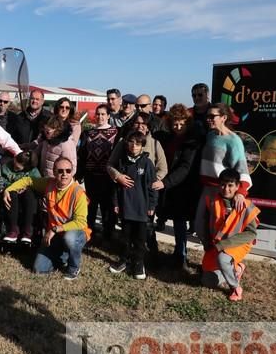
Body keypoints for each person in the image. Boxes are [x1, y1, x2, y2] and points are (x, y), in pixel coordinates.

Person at [4, 157, 90, 280]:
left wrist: (55, 229)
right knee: (39, 269)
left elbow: (81, 222)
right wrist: (8, 189)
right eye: (60, 171)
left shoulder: (78, 193)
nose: (64, 174)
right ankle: (63, 255)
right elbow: (28, 180)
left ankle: (73, 267)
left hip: (74, 233)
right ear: (54, 172)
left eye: (68, 171)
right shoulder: (49, 183)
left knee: (70, 238)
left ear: (72, 172)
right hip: (55, 236)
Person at [194, 103, 252, 249]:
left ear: (224, 117)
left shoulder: (234, 141)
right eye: (207, 116)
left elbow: (242, 170)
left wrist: (240, 193)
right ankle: (210, 261)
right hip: (206, 189)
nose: (208, 119)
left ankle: (222, 266)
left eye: (212, 116)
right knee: (200, 226)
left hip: (221, 191)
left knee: (218, 231)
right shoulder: (210, 135)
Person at [152, 104, 200, 271]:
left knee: (179, 222)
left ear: (187, 123)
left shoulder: (191, 141)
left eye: (182, 124)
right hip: (165, 183)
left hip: (181, 185)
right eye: (175, 123)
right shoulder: (166, 137)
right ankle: (152, 251)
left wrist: (166, 182)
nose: (178, 127)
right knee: (158, 215)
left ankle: (181, 255)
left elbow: (185, 167)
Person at [200, 168, 260, 301]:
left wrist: (224, 244)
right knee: (207, 281)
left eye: (230, 185)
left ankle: (235, 288)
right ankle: (237, 269)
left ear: (238, 186)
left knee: (222, 259)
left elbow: (251, 233)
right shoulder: (212, 200)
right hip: (218, 244)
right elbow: (206, 223)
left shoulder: (245, 205)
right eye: (222, 184)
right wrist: (207, 242)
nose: (226, 189)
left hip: (238, 243)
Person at [109, 131, 158, 280]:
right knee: (125, 237)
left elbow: (152, 186)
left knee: (140, 239)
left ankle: (138, 263)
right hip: (125, 207)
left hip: (141, 209)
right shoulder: (122, 162)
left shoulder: (147, 163)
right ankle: (123, 260)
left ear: (142, 146)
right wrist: (116, 203)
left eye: (137, 144)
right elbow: (116, 186)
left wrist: (151, 205)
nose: (134, 146)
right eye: (131, 143)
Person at [76, 104, 118, 240]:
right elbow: (82, 154)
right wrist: (80, 173)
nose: (100, 117)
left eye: (103, 114)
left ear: (108, 116)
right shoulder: (88, 133)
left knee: (107, 207)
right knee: (91, 206)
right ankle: (89, 233)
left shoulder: (115, 132)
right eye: (98, 114)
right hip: (91, 175)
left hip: (108, 176)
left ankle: (107, 235)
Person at [0, 151, 41, 244]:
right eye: (14, 163)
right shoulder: (7, 167)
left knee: (29, 194)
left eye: (18, 167)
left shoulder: (33, 172)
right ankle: (13, 229)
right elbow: (1, 180)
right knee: (12, 194)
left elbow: (37, 184)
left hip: (26, 195)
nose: (14, 167)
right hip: (10, 193)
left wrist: (26, 187)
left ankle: (28, 230)